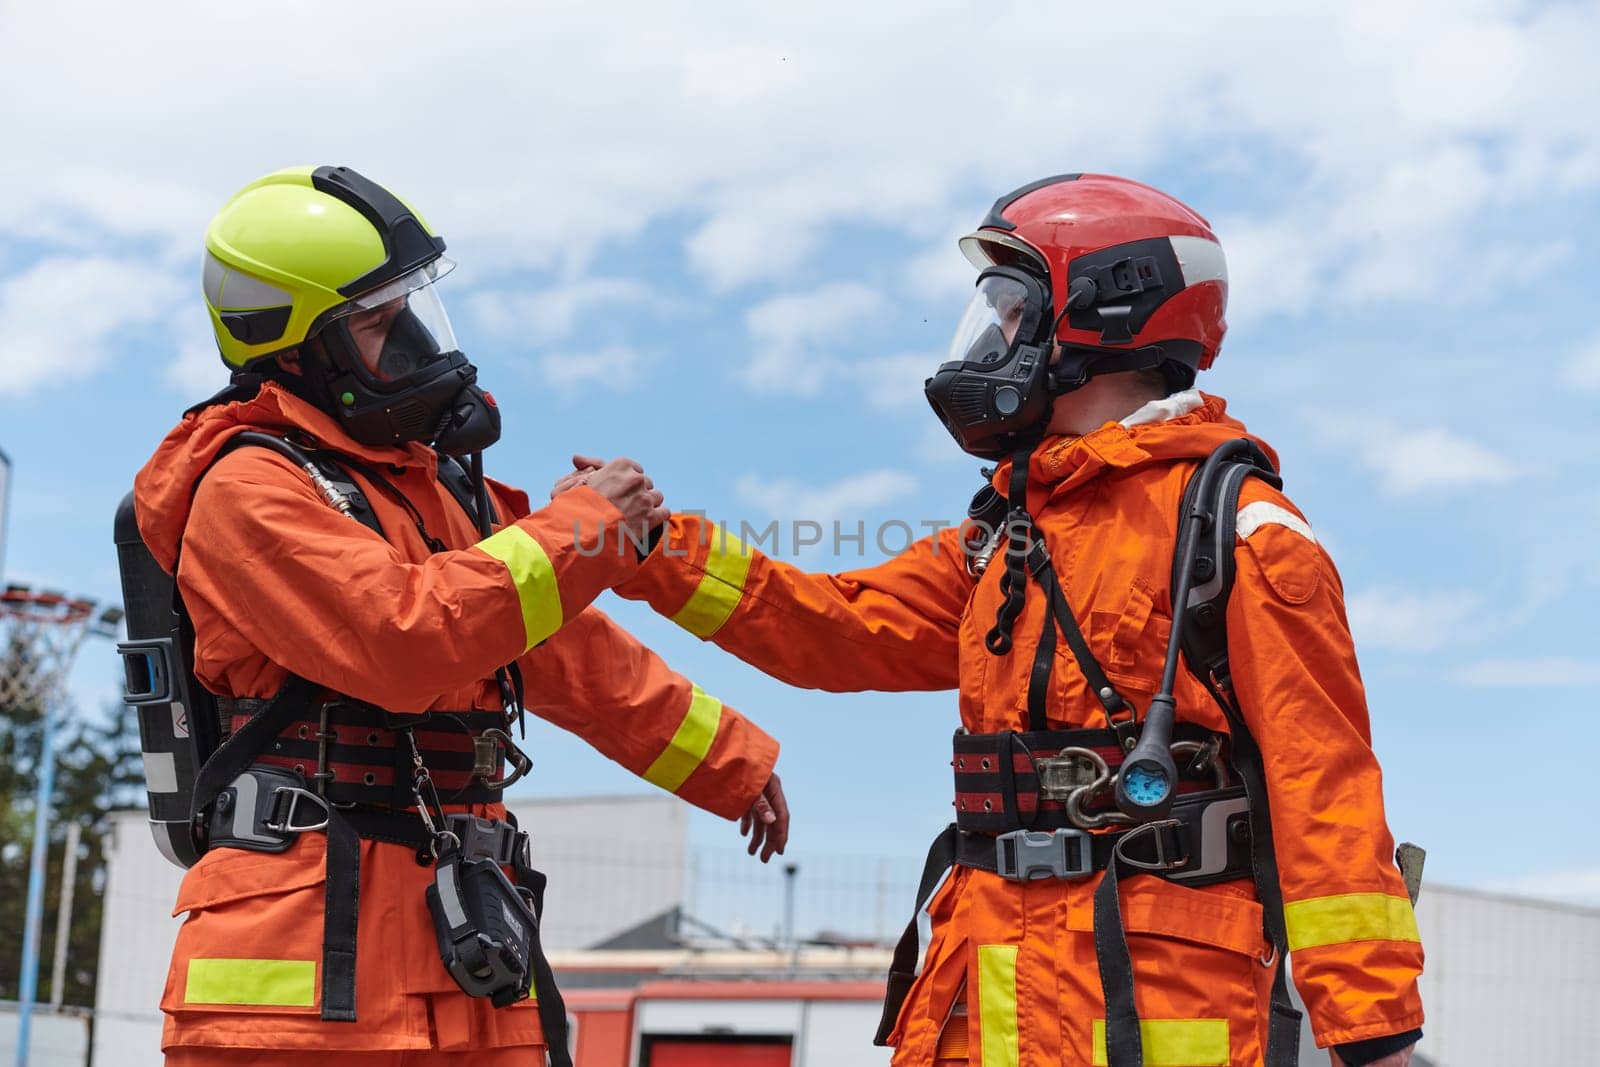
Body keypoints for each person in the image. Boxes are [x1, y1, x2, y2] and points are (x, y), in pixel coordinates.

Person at [577, 174, 1424, 1066]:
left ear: (1107, 312)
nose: (996, 334)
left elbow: (1324, 790)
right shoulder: (1002, 538)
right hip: (985, 986)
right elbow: (833, 624)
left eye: (1015, 305)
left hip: (1153, 999)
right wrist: (652, 546)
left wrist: (1372, 1036)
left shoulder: (1241, 530)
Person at [134, 165, 789, 1067]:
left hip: (459, 945)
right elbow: (404, 637)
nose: (412, 339)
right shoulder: (247, 486)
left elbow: (563, 653)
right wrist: (586, 527)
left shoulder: (429, 486)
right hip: (298, 979)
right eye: (375, 322)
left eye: (412, 307)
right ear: (295, 353)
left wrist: (730, 762)